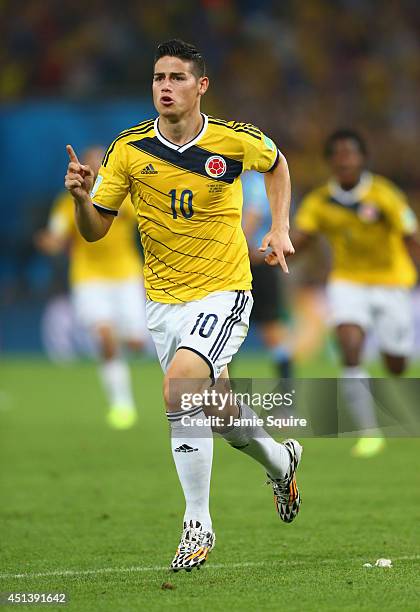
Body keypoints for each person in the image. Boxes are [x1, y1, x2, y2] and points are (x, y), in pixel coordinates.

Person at [64, 39, 302, 572]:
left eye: (175, 77)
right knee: (212, 408)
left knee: (179, 387)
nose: (165, 87)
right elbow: (96, 230)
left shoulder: (234, 141)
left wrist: (280, 227)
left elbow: (279, 163)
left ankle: (198, 523)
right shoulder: (129, 149)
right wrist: (82, 201)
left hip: (224, 289)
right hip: (163, 302)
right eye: (157, 78)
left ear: (201, 86)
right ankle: (281, 459)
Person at [293, 129, 419, 457]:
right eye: (338, 154)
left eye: (351, 153)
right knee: (350, 345)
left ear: (363, 158)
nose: (345, 159)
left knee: (396, 364)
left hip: (392, 283)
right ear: (331, 161)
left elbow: (410, 236)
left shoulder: (384, 194)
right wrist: (272, 251)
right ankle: (369, 432)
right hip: (347, 282)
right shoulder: (320, 201)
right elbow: (301, 239)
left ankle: (393, 367)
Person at [37, 146, 147, 430]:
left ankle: (123, 339)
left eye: (102, 163)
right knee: (105, 338)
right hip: (89, 278)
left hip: (126, 276)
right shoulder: (68, 203)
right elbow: (57, 235)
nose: (96, 168)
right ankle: (122, 406)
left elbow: (150, 223)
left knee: (135, 343)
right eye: (92, 163)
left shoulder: (123, 199)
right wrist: (50, 242)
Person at [242, 170, 293, 379]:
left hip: (256, 265)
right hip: (233, 265)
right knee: (225, 335)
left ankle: (286, 400)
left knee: (272, 332)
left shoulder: (254, 182)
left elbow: (251, 220)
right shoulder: (224, 177)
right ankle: (222, 402)